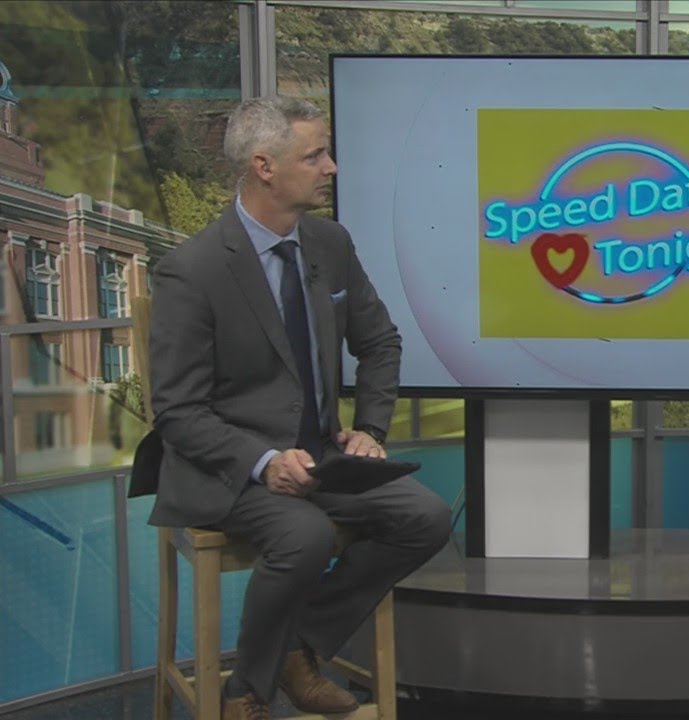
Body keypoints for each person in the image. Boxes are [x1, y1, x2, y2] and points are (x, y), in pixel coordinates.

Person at [146, 97, 452, 720]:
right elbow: (177, 410)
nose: (331, 167)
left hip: (320, 455)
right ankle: (245, 694)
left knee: (426, 517)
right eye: (315, 156)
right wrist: (263, 462)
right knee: (304, 534)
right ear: (264, 166)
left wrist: (368, 429)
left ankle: (296, 648)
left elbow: (380, 343)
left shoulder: (329, 243)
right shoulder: (193, 270)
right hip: (229, 468)